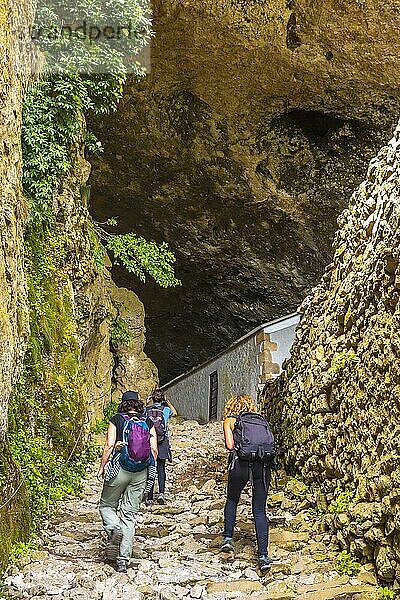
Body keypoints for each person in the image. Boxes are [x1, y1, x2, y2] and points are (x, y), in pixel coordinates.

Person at [97, 390, 158, 573]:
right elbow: (154, 450)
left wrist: (102, 467)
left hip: (120, 469)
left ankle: (114, 529)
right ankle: (123, 559)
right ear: (138, 404)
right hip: (140, 471)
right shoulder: (147, 422)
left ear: (123, 404)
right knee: (130, 515)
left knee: (106, 505)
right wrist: (149, 472)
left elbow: (109, 445)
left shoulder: (117, 420)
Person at [221, 394, 274, 572]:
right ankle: (263, 556)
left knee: (232, 499)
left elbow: (229, 446)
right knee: (259, 509)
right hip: (262, 465)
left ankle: (228, 539)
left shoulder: (230, 420)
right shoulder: (260, 421)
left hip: (240, 464)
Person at [145, 389, 177, 506]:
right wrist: (167, 401)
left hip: (149, 441)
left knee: (150, 468)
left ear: (152, 398)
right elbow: (175, 412)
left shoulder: (146, 410)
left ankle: (149, 497)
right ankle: (161, 493)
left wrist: (147, 402)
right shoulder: (166, 410)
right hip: (162, 441)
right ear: (162, 399)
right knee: (161, 468)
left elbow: (140, 415)